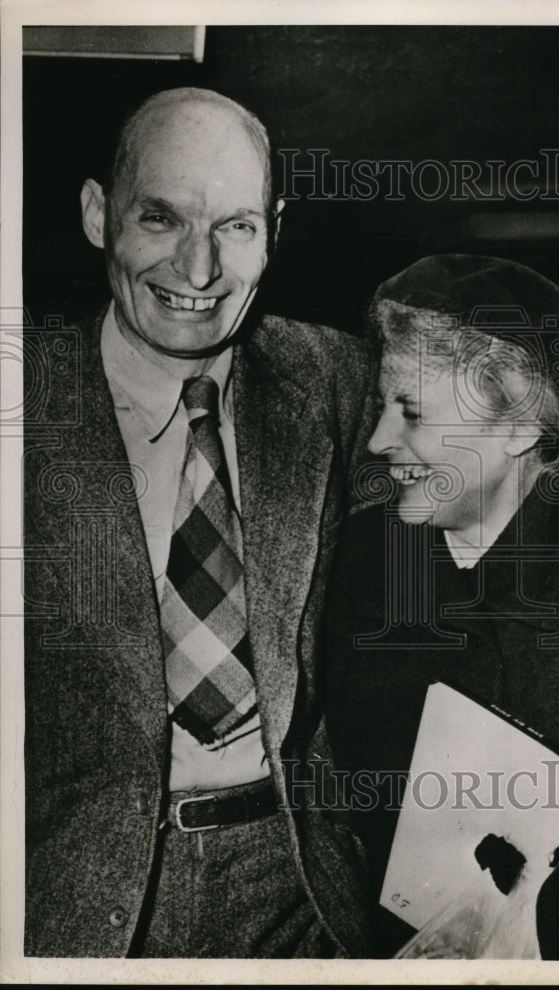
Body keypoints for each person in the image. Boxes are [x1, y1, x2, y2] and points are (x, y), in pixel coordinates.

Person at [23, 87, 376, 958]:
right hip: (68, 895)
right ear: (98, 214)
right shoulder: (23, 401)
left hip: (300, 888)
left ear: (274, 233)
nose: (198, 269)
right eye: (161, 218)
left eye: (236, 227)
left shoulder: (337, 380)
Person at [323, 254, 559, 960]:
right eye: (383, 406)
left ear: (518, 428)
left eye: (410, 411)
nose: (379, 440)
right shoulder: (362, 563)